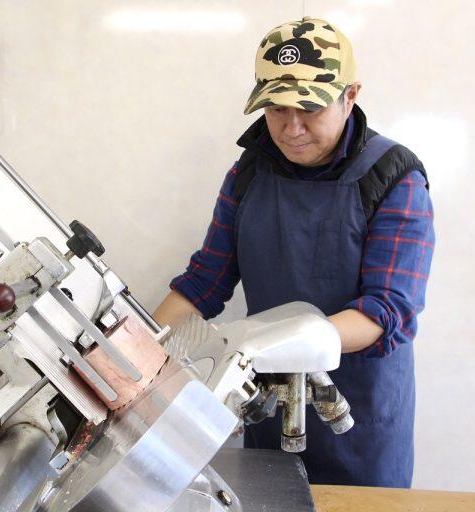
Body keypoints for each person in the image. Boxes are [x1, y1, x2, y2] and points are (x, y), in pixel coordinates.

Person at [153, 16, 435, 488]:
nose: (292, 128)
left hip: (358, 421)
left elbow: (387, 312)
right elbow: (204, 283)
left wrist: (256, 346)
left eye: (310, 109)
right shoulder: (249, 175)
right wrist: (140, 355)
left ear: (350, 95)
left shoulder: (394, 179)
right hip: (270, 406)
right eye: (277, 109)